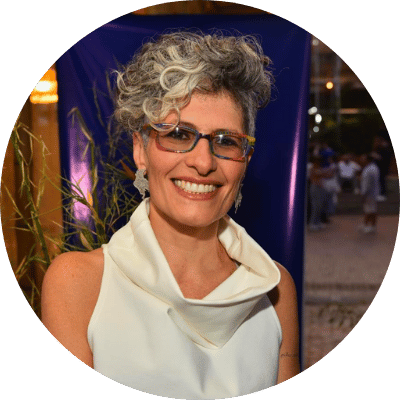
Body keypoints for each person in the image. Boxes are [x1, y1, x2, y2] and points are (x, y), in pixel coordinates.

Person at [41, 31, 300, 398]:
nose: (203, 162)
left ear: (245, 161)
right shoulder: (78, 283)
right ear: (140, 149)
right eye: (178, 134)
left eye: (227, 141)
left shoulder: (274, 287)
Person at [359, 153, 380, 233]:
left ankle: (370, 226)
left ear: (368, 160)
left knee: (370, 210)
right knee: (369, 209)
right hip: (370, 192)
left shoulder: (371, 169)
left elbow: (368, 183)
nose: (362, 160)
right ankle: (367, 224)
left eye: (363, 159)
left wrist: (364, 193)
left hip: (370, 193)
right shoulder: (370, 168)